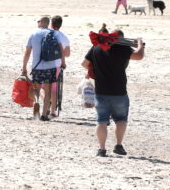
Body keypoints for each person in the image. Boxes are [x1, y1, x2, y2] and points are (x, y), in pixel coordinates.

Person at [81, 27, 145, 157]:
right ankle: (118, 145)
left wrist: (96, 70)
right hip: (119, 91)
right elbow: (139, 56)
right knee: (121, 119)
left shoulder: (96, 47)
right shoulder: (123, 48)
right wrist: (140, 43)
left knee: (101, 121)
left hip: (101, 90)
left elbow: (84, 63)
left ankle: (102, 149)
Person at [22, 17, 63, 121]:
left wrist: (24, 67)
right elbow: (60, 49)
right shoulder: (54, 33)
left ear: (40, 22)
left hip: (37, 67)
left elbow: (27, 52)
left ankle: (36, 102)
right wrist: (62, 62)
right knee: (48, 90)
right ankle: (44, 114)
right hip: (51, 67)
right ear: (48, 23)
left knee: (37, 89)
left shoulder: (33, 34)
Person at [48, 15, 70, 117]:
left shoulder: (46, 33)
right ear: (60, 25)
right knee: (54, 88)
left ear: (51, 23)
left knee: (43, 87)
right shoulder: (64, 37)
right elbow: (67, 53)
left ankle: (44, 105)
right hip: (56, 64)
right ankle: (53, 111)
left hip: (43, 63)